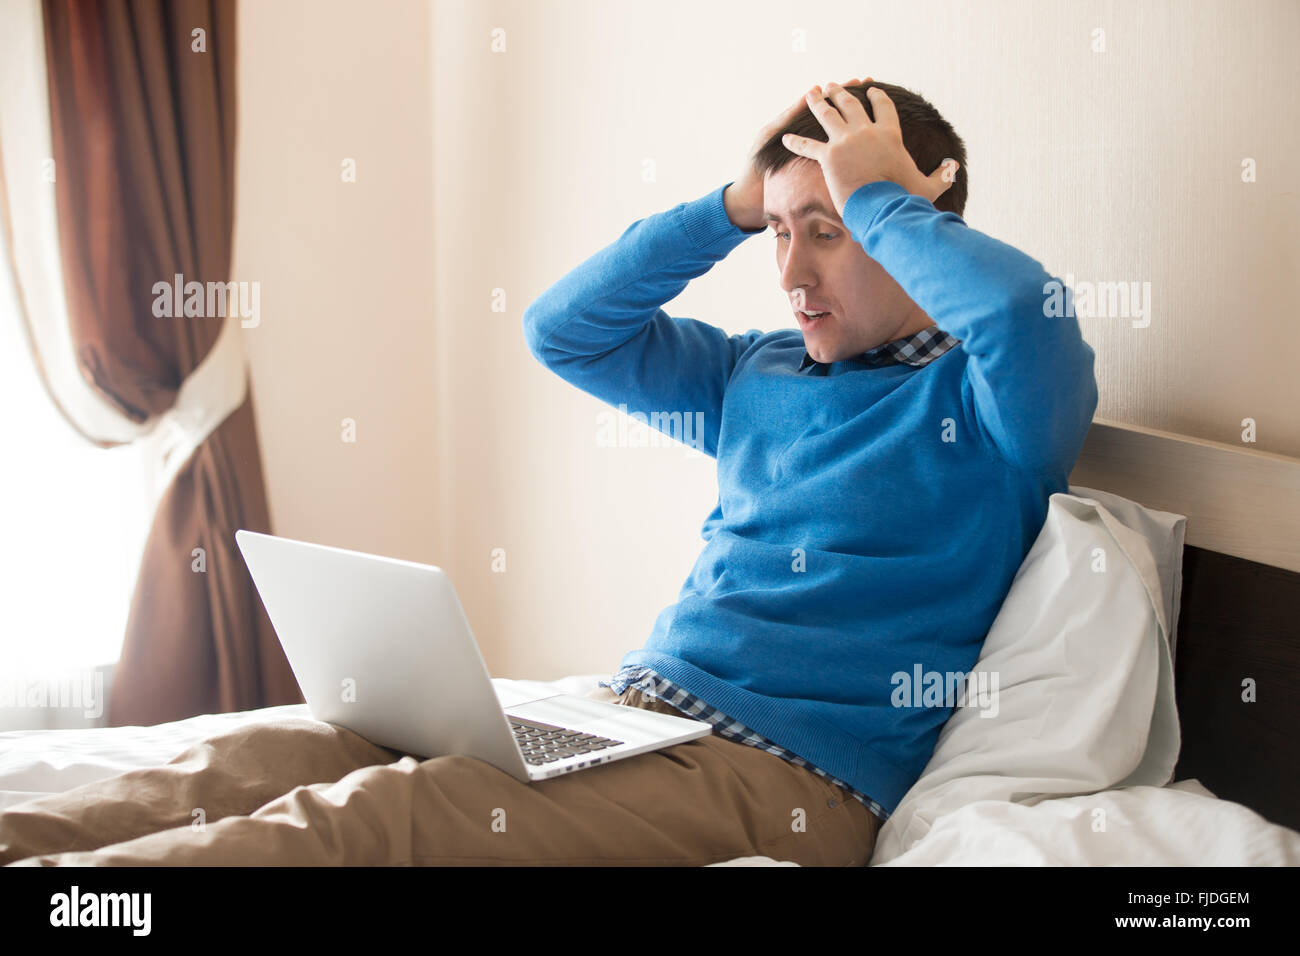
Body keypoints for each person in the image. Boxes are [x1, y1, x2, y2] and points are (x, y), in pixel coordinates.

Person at [0, 78, 1095, 867]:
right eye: (778, 232)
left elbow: (1015, 311)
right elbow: (563, 329)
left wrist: (881, 195)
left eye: (831, 231)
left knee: (388, 817)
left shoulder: (988, 410)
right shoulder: (755, 375)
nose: (792, 274)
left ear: (918, 223)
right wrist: (725, 203)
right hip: (636, 714)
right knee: (279, 749)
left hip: (787, 783)